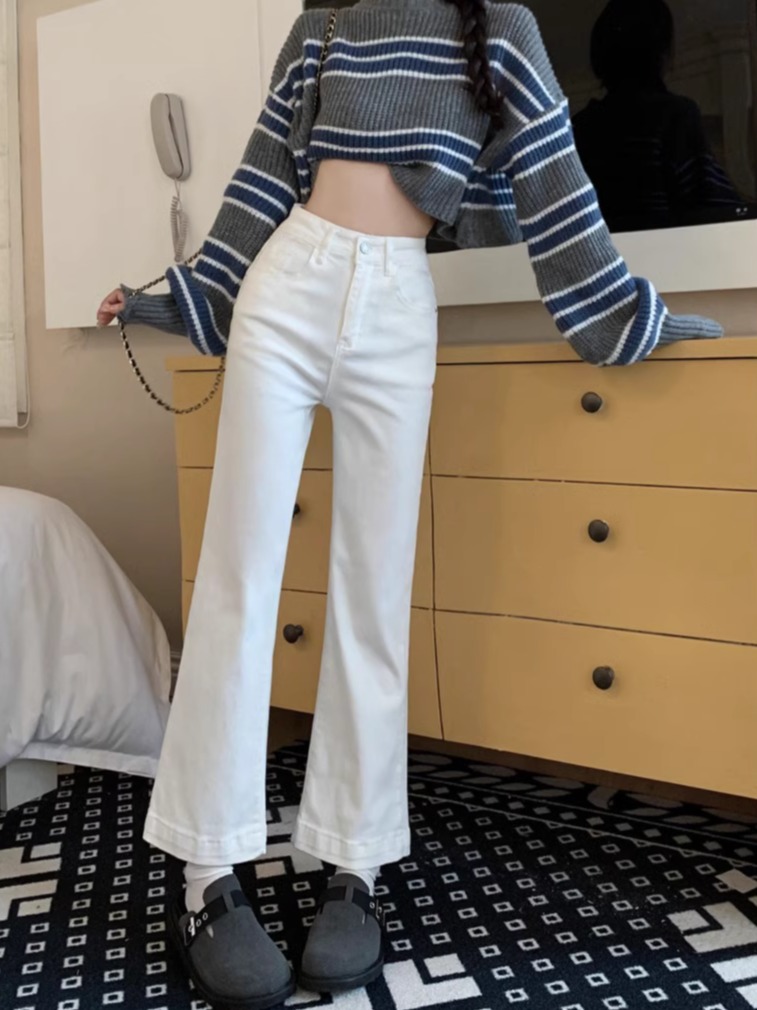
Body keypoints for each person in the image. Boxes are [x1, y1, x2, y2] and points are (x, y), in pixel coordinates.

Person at [97, 1, 722, 1006]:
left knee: (374, 596)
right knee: (239, 582)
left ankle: (353, 862)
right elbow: (260, 178)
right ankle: (206, 872)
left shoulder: (502, 28)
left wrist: (626, 314)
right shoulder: (323, 25)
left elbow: (556, 190)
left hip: (398, 308)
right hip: (285, 287)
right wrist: (179, 294)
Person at [572, 0, 747, 232]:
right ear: (661, 54)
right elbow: (718, 208)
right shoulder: (675, 116)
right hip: (664, 248)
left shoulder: (579, 127)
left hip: (594, 252)